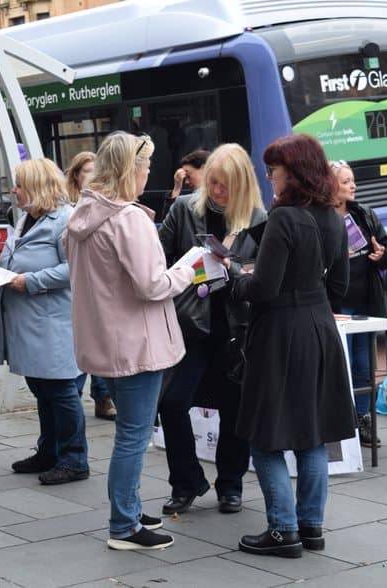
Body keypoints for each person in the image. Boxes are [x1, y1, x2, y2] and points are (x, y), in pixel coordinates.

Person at [65, 131, 195, 550]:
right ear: (131, 170)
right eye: (146, 167)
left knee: (129, 432)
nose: (147, 175)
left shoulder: (83, 213)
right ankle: (123, 525)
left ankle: (130, 507)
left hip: (106, 337)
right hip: (139, 340)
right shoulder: (129, 218)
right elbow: (151, 285)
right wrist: (189, 271)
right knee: (134, 436)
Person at [232, 134, 355, 557]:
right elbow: (339, 286)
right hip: (319, 328)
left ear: (294, 171)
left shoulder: (284, 219)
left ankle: (283, 530)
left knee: (264, 436)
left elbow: (263, 288)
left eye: (274, 168)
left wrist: (234, 278)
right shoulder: (333, 218)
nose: (269, 176)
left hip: (281, 331)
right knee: (311, 434)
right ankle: (311, 527)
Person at [157, 143, 266, 516]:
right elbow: (160, 257)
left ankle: (230, 485)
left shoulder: (257, 218)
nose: (218, 192)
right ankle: (186, 481)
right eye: (214, 183)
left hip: (236, 326)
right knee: (171, 403)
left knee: (234, 410)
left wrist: (233, 269)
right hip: (190, 324)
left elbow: (262, 276)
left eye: (226, 186)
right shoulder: (185, 209)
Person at [0, 158, 89, 484]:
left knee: (60, 391)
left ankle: (74, 458)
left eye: (19, 184)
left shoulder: (66, 220)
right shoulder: (24, 220)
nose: (13, 190)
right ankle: (49, 450)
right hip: (28, 324)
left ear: (36, 187)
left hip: (52, 322)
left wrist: (30, 281)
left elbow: (75, 268)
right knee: (42, 389)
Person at [330, 160, 387, 447]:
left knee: (364, 365)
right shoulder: (318, 216)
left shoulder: (364, 213)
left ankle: (363, 418)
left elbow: (386, 248)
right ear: (330, 185)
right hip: (336, 303)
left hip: (365, 300)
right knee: (342, 363)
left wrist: (382, 254)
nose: (353, 185)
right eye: (345, 181)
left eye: (352, 180)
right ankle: (344, 420)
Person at [65, 150, 117, 420]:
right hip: (75, 293)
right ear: (76, 175)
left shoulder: (105, 205)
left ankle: (103, 397)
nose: (93, 176)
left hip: (97, 292)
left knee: (98, 343)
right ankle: (75, 399)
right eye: (87, 171)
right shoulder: (70, 210)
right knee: (83, 348)